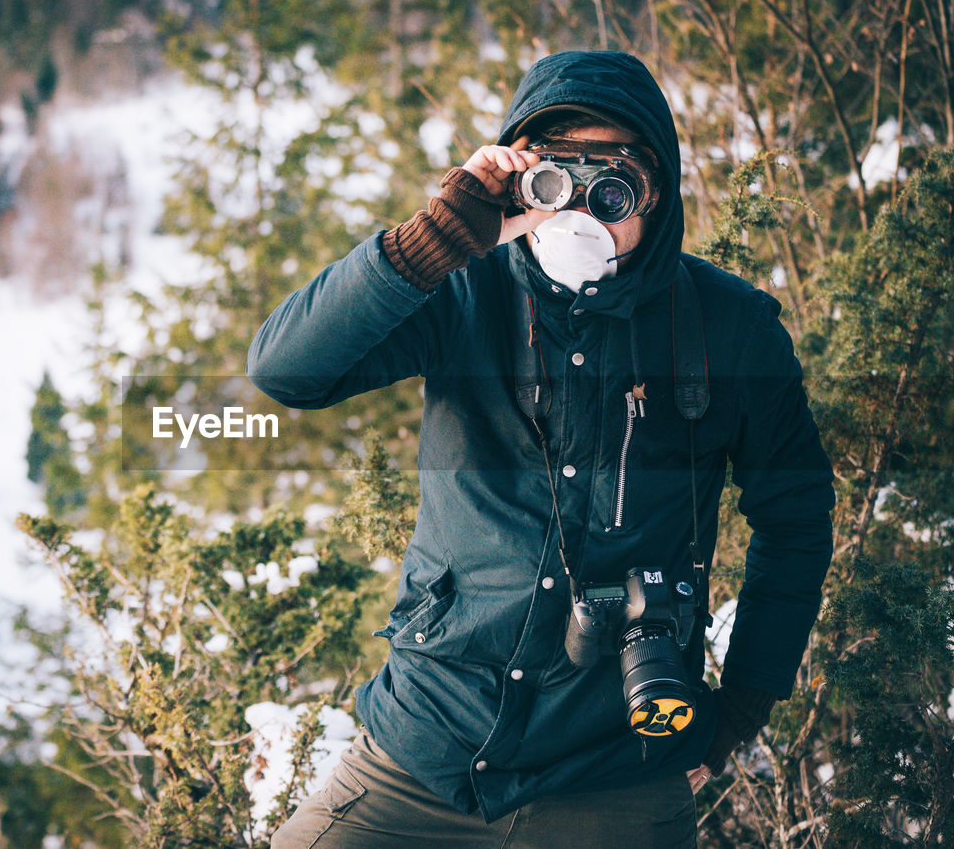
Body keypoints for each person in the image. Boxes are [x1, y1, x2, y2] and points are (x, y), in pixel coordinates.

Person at [247, 50, 834, 849]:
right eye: (558, 183)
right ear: (521, 185)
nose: (586, 215)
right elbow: (286, 371)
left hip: (616, 772)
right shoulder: (463, 289)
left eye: (615, 189)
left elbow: (795, 519)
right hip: (425, 749)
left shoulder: (729, 329)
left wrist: (738, 709)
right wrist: (440, 236)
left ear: (659, 197)